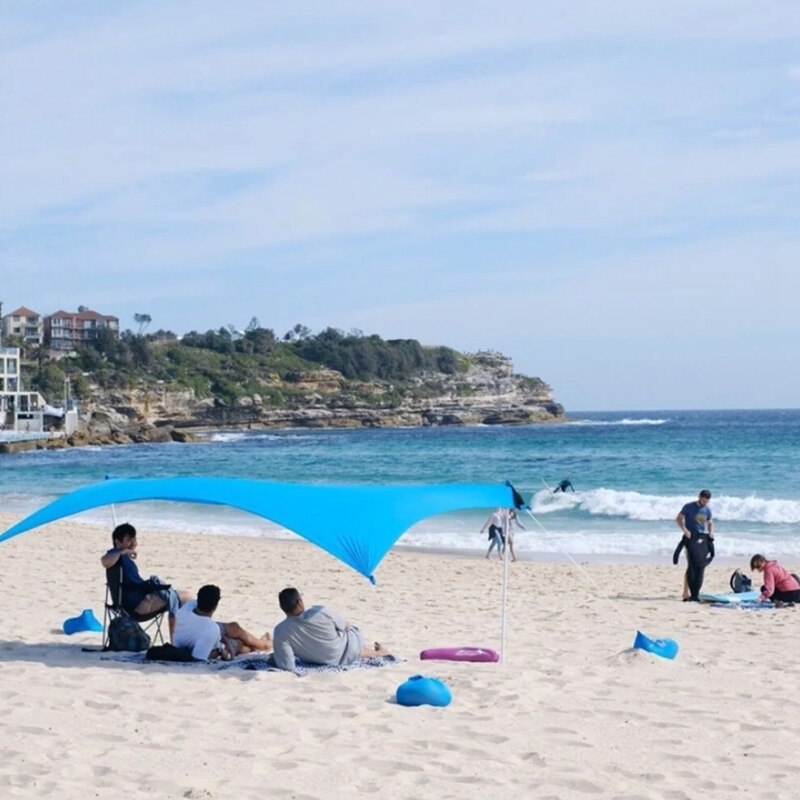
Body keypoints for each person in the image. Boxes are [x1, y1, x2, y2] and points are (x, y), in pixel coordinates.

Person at [100, 522, 192, 642]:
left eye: (134, 539)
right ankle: (176, 641)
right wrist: (122, 552)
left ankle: (179, 638)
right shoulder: (115, 555)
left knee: (176, 596)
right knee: (186, 598)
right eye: (128, 539)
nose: (133, 543)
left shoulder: (123, 559)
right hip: (136, 606)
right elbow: (104, 561)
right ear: (118, 542)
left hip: (129, 604)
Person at [272, 587, 389, 673]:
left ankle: (377, 652)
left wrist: (273, 659)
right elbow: (344, 626)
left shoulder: (281, 631)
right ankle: (379, 653)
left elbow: (287, 665)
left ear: (282, 607)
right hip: (345, 650)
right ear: (299, 602)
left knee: (340, 642)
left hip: (320, 659)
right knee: (348, 634)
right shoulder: (319, 611)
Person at [173, 584, 272, 660]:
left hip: (193, 632)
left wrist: (224, 640)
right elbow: (198, 658)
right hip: (195, 643)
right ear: (216, 605)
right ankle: (261, 646)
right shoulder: (211, 629)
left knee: (234, 627)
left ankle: (261, 644)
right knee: (238, 644)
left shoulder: (189, 607)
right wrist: (220, 650)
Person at [675, 490, 714, 602]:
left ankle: (696, 590)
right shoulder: (688, 507)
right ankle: (685, 591)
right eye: (703, 500)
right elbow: (678, 519)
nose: (704, 503)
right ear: (699, 497)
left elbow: (710, 523)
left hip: (701, 539)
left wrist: (711, 532)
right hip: (690, 539)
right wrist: (685, 530)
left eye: (706, 502)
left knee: (700, 566)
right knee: (691, 566)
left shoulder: (707, 510)